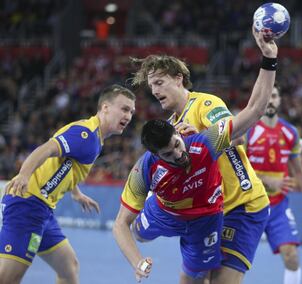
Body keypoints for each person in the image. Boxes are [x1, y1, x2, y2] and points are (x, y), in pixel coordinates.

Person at [112, 28, 278, 284]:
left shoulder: (204, 105)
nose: (154, 90)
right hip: (206, 213)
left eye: (159, 82)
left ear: (178, 78)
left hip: (241, 205)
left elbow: (239, 136)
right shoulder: (171, 127)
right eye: (151, 86)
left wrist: (201, 134)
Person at [0, 84, 136, 284]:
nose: (129, 116)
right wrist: (24, 174)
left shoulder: (95, 138)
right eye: (124, 109)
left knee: (68, 267)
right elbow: (47, 149)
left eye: (132, 112)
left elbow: (67, 165)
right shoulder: (86, 135)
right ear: (105, 108)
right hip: (27, 205)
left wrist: (76, 193)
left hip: (43, 211)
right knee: (8, 279)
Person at [245, 85, 302, 284]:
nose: (270, 100)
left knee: (292, 257)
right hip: (248, 205)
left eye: (274, 96)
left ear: (279, 100)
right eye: (267, 96)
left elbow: (299, 170)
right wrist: (268, 180)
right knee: (231, 263)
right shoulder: (248, 130)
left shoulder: (290, 132)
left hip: (278, 206)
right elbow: (238, 167)